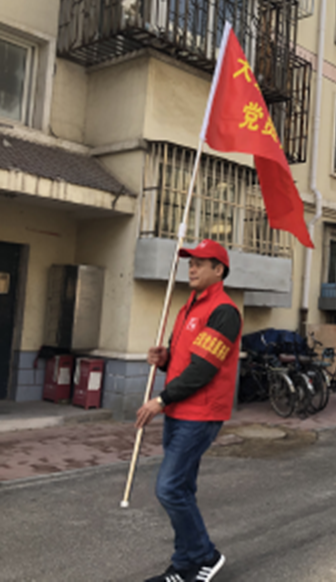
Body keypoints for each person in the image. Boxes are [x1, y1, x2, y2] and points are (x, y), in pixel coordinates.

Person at [136, 239, 242, 582]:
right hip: (179, 411)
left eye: (199, 263)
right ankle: (184, 566)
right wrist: (164, 359)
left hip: (201, 413)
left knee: (168, 488)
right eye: (190, 262)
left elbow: (203, 369)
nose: (192, 268)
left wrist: (160, 400)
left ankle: (205, 556)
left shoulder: (223, 312)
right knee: (181, 489)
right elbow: (184, 362)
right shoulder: (187, 309)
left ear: (218, 270)